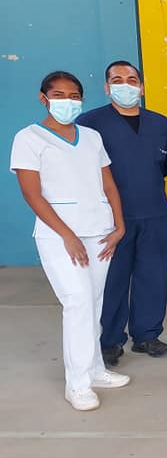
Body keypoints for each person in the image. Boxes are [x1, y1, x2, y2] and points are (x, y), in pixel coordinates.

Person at [11, 71, 130, 411]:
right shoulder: (29, 138)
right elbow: (32, 194)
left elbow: (109, 185)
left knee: (94, 302)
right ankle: (76, 384)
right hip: (59, 236)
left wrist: (119, 226)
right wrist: (68, 235)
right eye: (59, 95)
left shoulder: (91, 137)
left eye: (74, 95)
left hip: (100, 231)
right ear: (43, 98)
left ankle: (95, 370)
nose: (68, 101)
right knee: (77, 301)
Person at [77, 61, 167, 366]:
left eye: (132, 80)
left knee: (153, 275)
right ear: (107, 88)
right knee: (113, 279)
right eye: (117, 80)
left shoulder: (160, 124)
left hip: (154, 210)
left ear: (142, 88)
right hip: (110, 217)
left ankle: (147, 334)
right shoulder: (90, 123)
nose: (126, 85)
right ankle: (109, 340)